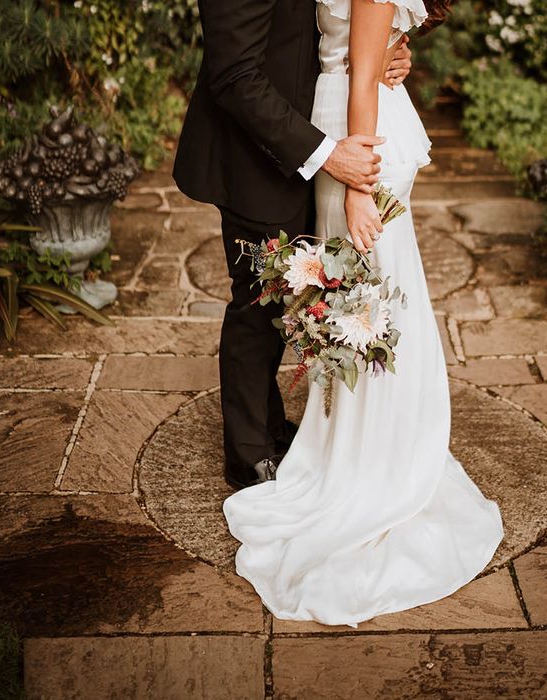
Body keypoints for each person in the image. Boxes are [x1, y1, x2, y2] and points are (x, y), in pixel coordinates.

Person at [222, 0, 504, 628]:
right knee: (367, 297)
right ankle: (356, 449)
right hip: (347, 126)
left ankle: (372, 463)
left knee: (369, 298)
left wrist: (357, 182)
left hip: (357, 136)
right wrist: (382, 56)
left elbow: (369, 32)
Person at [173, 0, 413, 490]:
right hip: (254, 154)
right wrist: (325, 153)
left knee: (292, 294)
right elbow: (235, 74)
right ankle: (248, 454)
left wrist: (378, 53)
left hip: (310, 135)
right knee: (257, 303)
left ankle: (269, 423)